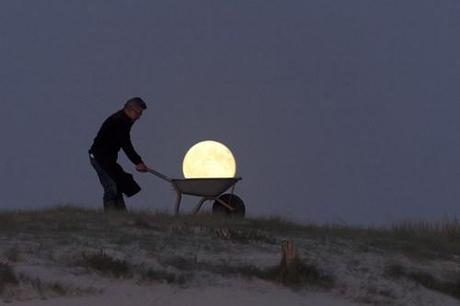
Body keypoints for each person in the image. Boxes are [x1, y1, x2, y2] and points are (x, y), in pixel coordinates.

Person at [89, 97, 150, 211]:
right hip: (99, 157)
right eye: (138, 113)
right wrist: (138, 162)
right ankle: (110, 217)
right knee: (111, 187)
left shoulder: (124, 120)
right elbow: (126, 145)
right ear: (130, 109)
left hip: (108, 159)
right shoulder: (119, 121)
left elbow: (125, 143)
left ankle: (122, 216)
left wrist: (138, 162)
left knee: (118, 184)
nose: (139, 117)